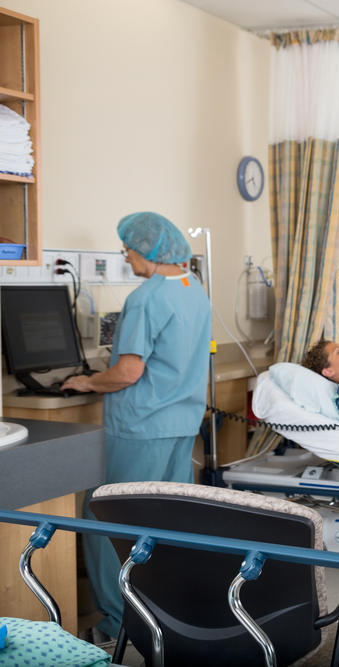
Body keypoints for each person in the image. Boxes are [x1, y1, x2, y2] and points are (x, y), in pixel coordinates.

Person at [62, 212, 212, 643]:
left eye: (128, 249)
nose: (126, 258)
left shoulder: (148, 297)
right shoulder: (194, 289)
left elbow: (127, 373)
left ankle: (115, 626)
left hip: (141, 427)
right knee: (163, 522)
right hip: (180, 425)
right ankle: (161, 617)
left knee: (111, 522)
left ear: (148, 250)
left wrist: (88, 381)